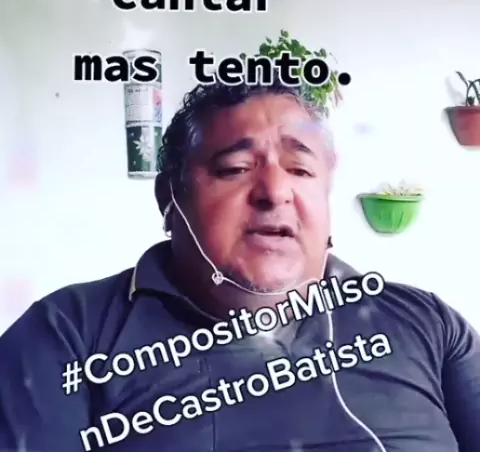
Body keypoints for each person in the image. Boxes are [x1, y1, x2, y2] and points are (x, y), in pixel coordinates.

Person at [0, 75, 479, 452]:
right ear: (170, 198)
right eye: (235, 169)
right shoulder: (66, 334)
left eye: (301, 170)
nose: (275, 192)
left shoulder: (428, 324)